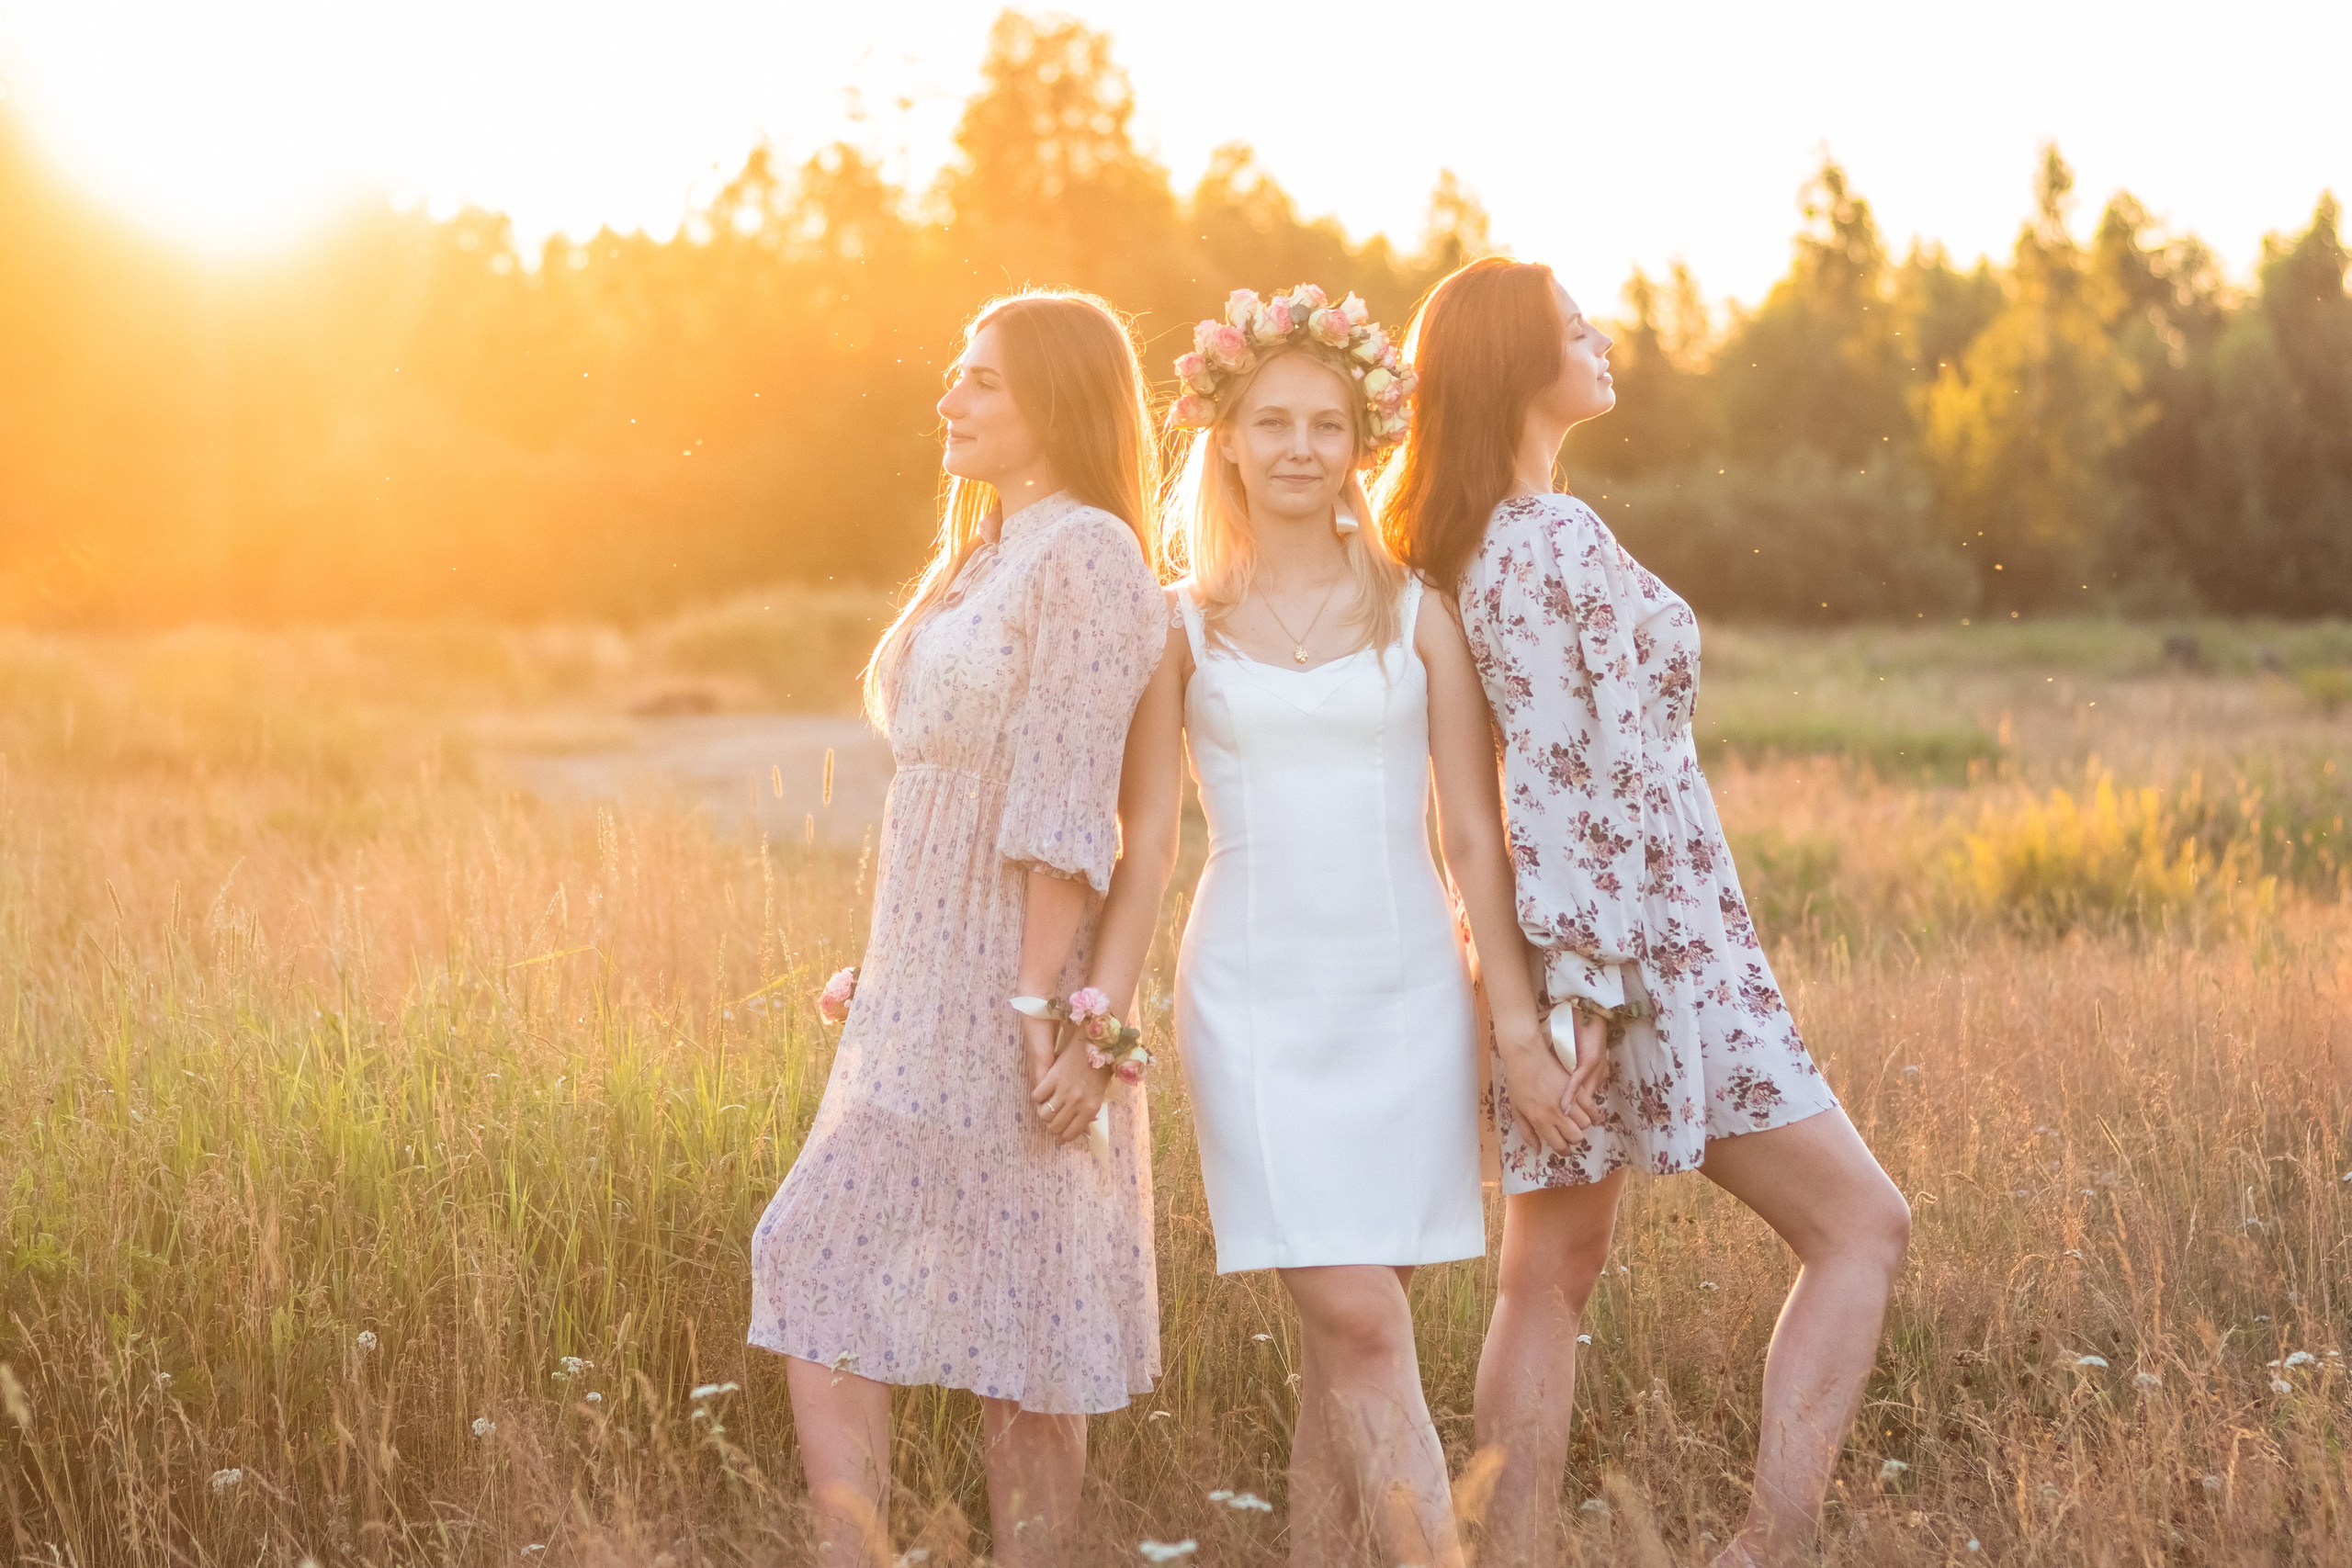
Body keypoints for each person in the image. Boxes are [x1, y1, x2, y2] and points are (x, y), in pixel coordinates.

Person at [1378, 256, 1913, 1568]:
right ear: (1516, 364)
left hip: (1588, 955)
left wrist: (1554, 981)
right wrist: (1587, 990)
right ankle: (1769, 1545)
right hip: (1643, 961)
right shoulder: (1544, 541)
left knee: (1547, 1272)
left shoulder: (1480, 547)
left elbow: (1525, 797)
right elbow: (1571, 789)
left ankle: (1512, 1555)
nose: (1604, 339)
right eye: (1575, 328)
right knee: (1860, 1224)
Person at [1099, 285, 1549, 1568]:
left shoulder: (1419, 614)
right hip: (1248, 1001)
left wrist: (1510, 1026)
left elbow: (1474, 838)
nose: (1302, 449)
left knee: (1347, 1347)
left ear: (1365, 443)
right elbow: (1148, 838)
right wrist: (1099, 1006)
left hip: (1407, 998)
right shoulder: (1175, 622)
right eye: (1274, 423)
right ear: (1225, 437)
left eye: (1329, 425)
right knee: (1358, 1323)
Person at [746, 289, 1170, 1568]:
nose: (952, 400)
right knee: (819, 1254)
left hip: (1014, 1002)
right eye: (958, 375)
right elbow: (949, 789)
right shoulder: (985, 553)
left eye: (984, 381)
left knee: (1023, 1324)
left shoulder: (1089, 553)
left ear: (1060, 404)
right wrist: (894, 959)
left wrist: (1050, 1011)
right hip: (923, 992)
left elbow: (1059, 803)